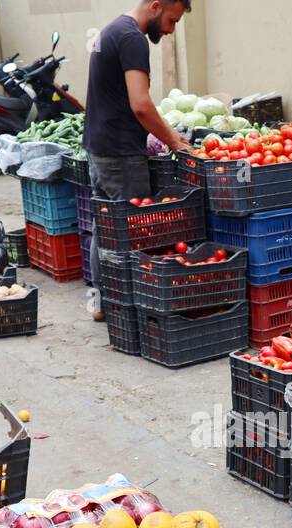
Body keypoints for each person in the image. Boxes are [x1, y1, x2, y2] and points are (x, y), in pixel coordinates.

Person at [84, 0, 192, 319]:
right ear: (156, 6)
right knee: (134, 229)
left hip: (98, 146)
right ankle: (131, 307)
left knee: (104, 226)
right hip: (119, 152)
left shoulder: (112, 29)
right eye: (171, 20)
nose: (171, 30)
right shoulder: (132, 38)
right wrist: (174, 142)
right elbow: (141, 104)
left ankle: (102, 305)